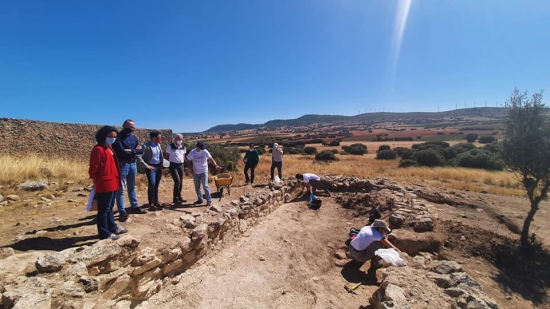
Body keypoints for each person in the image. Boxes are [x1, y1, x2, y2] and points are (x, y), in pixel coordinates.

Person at [89, 126, 128, 240]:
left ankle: (112, 227)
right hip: (104, 184)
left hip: (114, 182)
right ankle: (104, 233)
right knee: (103, 210)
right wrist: (96, 185)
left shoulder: (109, 148)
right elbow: (94, 170)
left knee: (110, 207)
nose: (113, 139)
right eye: (110, 137)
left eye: (115, 137)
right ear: (103, 136)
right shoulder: (98, 149)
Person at [111, 119, 147, 222]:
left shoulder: (133, 138)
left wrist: (132, 151)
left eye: (133, 127)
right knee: (121, 189)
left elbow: (141, 150)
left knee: (132, 187)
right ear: (123, 126)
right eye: (129, 126)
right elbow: (121, 152)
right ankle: (122, 211)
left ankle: (134, 207)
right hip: (123, 164)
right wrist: (134, 151)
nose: (131, 129)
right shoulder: (117, 137)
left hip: (133, 164)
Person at [186, 142, 221, 207]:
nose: (202, 149)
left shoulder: (205, 151)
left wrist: (215, 165)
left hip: (204, 171)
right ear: (197, 147)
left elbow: (211, 159)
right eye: (200, 148)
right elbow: (188, 159)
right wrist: (191, 168)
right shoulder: (192, 152)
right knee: (197, 187)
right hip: (196, 172)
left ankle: (209, 200)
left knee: (205, 185)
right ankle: (200, 199)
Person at [136, 131, 164, 210]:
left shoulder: (158, 145)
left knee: (156, 185)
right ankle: (151, 203)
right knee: (152, 184)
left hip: (158, 167)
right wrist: (146, 166)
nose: (160, 138)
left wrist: (162, 163)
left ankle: (156, 201)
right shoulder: (146, 146)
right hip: (151, 167)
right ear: (154, 137)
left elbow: (160, 155)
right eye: (159, 136)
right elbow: (138, 156)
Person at [165, 134, 187, 204]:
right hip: (173, 165)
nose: (180, 140)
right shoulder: (170, 146)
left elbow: (183, 155)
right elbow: (166, 156)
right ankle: (175, 198)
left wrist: (182, 162)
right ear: (175, 139)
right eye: (178, 139)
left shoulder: (183, 147)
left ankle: (179, 196)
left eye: (181, 139)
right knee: (177, 181)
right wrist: (169, 164)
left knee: (181, 181)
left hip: (181, 165)